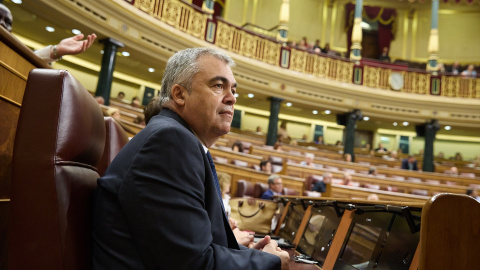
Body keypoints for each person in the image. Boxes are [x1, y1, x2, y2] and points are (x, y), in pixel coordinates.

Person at [92, 47, 289, 269]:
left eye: (234, 90)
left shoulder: (179, 140)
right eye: (218, 86)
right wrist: (271, 261)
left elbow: (189, 247)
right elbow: (195, 264)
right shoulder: (170, 141)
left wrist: (243, 254)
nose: (232, 98)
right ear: (179, 94)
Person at [1, 3, 96, 64]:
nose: (2, 23)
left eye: (8, 22)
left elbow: (21, 61)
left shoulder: (9, 53)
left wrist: (57, 50)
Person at [217, 172, 254, 248]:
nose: (229, 185)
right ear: (222, 183)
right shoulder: (217, 198)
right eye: (227, 183)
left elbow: (227, 216)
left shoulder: (227, 198)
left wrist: (231, 220)